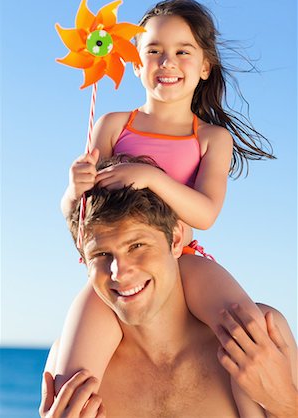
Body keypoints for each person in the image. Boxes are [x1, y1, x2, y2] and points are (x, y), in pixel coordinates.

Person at [55, 0, 277, 414]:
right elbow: (78, 216)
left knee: (250, 334)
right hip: (114, 262)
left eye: (182, 51)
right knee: (73, 379)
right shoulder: (114, 123)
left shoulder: (211, 138)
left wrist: (152, 178)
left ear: (205, 66)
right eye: (153, 51)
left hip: (184, 259)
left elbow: (206, 213)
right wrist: (73, 187)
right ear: (135, 63)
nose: (167, 62)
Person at [40, 161, 298, 417]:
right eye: (101, 253)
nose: (119, 271)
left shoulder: (258, 344)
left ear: (175, 240)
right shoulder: (75, 373)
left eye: (137, 246)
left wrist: (287, 405)